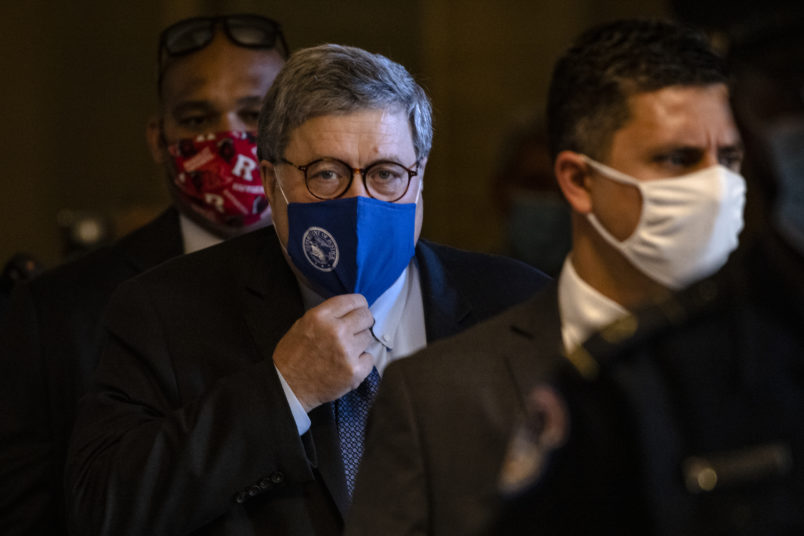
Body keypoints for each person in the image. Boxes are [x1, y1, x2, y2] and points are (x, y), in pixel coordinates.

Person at [65, 43, 548, 535]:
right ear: (270, 180)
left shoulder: (518, 305)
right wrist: (282, 391)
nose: (359, 201)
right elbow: (102, 509)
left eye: (386, 175)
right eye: (327, 175)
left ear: (419, 177)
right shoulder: (165, 311)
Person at [345, 18, 747, 536]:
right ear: (579, 181)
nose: (717, 188)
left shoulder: (782, 358)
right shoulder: (439, 399)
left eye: (730, 159)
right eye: (677, 158)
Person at [0, 14, 287, 535]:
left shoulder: (352, 283)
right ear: (159, 139)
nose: (228, 140)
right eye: (197, 118)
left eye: (255, 114)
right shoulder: (55, 312)